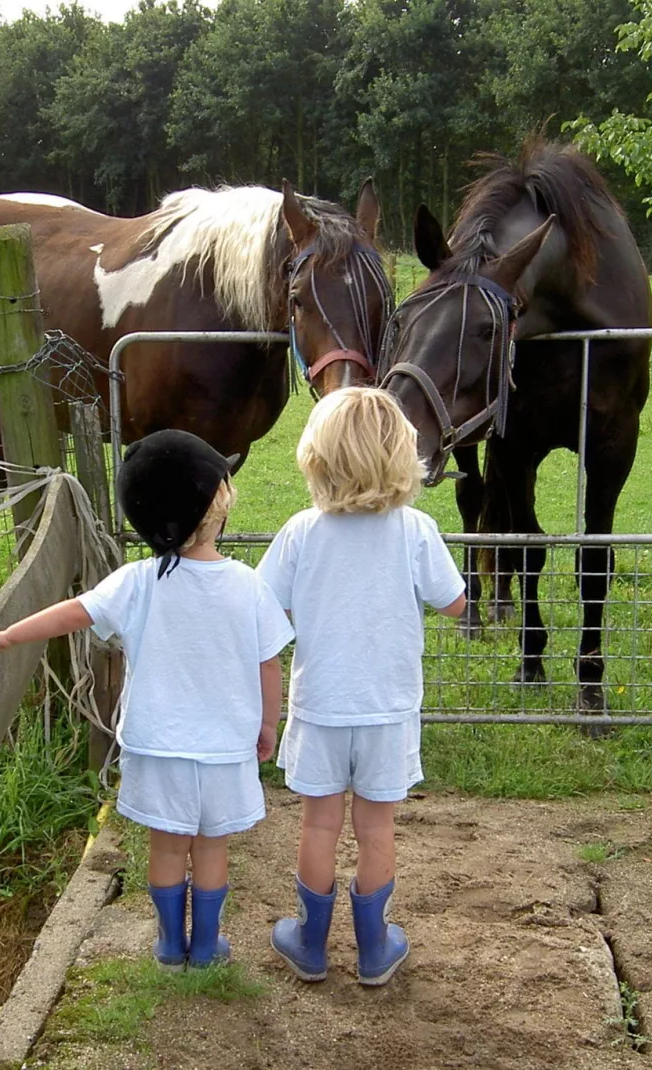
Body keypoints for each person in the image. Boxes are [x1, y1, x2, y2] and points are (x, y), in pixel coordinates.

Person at [0, 429, 293, 970]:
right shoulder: (249, 586)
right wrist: (267, 727)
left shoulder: (137, 581)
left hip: (157, 746)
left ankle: (169, 945)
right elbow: (269, 664)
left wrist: (6, 635)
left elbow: (74, 612)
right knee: (211, 847)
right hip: (224, 749)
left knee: (167, 847)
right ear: (218, 507)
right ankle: (207, 948)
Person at [257, 388, 467, 986]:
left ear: (316, 459)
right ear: (404, 456)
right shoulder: (417, 531)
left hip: (322, 707)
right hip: (388, 710)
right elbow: (454, 603)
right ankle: (375, 948)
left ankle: (310, 943)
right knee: (377, 829)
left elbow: (262, 610)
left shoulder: (301, 532)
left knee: (319, 825)